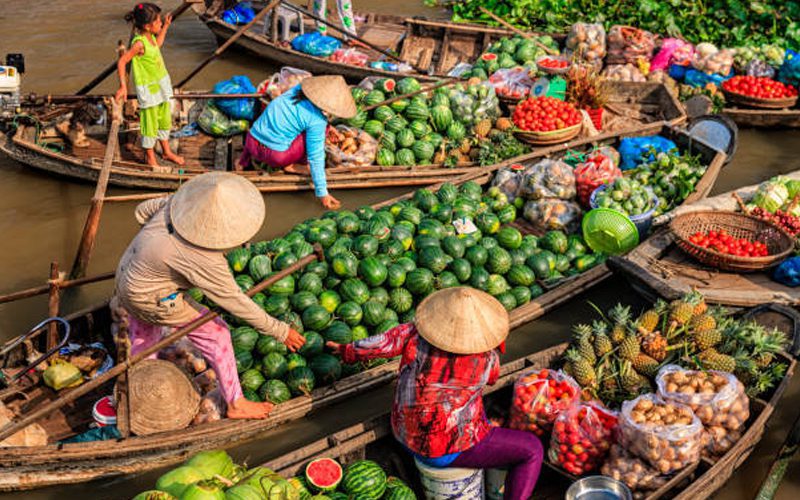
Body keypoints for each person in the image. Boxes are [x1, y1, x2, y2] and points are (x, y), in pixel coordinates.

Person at [114, 172, 305, 420]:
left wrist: (157, 252)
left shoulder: (175, 206)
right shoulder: (203, 259)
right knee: (218, 334)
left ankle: (138, 388)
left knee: (145, 336)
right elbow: (234, 301)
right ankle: (236, 403)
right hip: (151, 298)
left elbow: (142, 211)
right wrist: (280, 331)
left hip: (126, 276)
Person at [327, 287, 544, 500]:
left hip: (404, 433)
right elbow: (492, 379)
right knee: (532, 450)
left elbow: (382, 343)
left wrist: (346, 350)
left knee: (476, 412)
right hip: (444, 451)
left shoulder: (414, 332)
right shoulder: (486, 359)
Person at [237, 75, 356, 210]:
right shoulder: (317, 121)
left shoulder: (295, 91)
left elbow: (296, 115)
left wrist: (328, 127)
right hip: (275, 156)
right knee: (318, 134)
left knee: (272, 125)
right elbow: (315, 157)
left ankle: (242, 162)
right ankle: (294, 166)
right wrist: (323, 193)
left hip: (251, 140)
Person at [115, 2, 184, 170]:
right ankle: (151, 158)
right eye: (158, 21)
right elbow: (122, 61)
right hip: (150, 92)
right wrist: (123, 86)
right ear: (147, 26)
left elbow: (158, 44)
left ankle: (166, 151)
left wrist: (166, 26)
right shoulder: (139, 44)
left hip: (161, 88)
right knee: (150, 126)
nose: (160, 22)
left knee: (164, 121)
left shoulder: (150, 38)